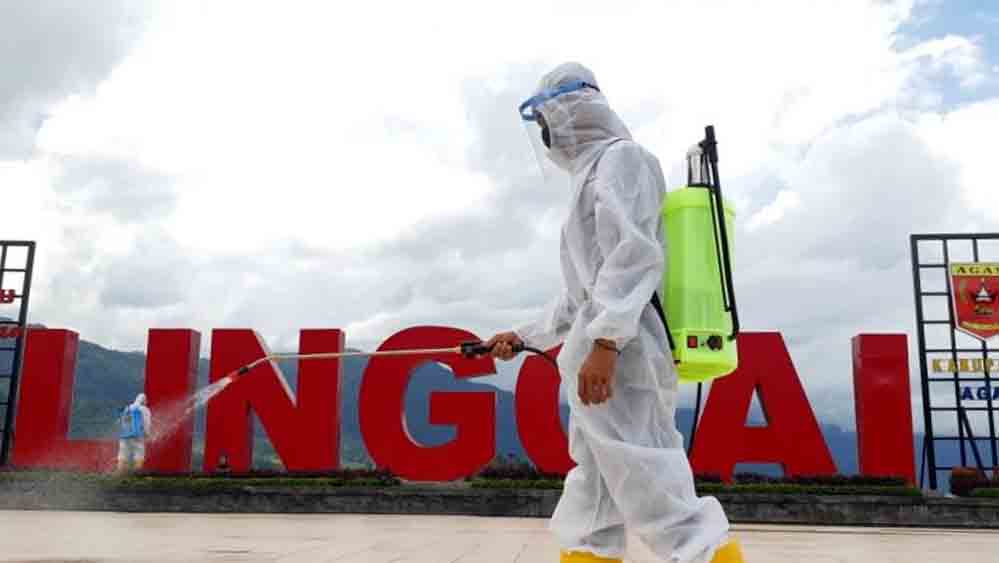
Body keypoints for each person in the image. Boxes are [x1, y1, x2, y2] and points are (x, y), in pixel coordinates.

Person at [487, 63, 744, 563]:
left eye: (545, 121)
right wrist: (522, 336)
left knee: (648, 470)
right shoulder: (589, 177)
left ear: (569, 111)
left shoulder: (622, 160)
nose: (545, 136)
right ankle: (590, 555)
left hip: (623, 350)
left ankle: (707, 553)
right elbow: (580, 296)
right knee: (596, 478)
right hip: (600, 346)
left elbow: (634, 256)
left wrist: (606, 344)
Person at [117, 393, 152, 472]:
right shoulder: (145, 409)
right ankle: (136, 473)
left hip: (125, 436)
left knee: (123, 455)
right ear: (144, 401)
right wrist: (147, 434)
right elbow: (146, 423)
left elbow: (121, 422)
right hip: (138, 436)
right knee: (139, 455)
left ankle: (120, 473)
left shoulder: (128, 408)